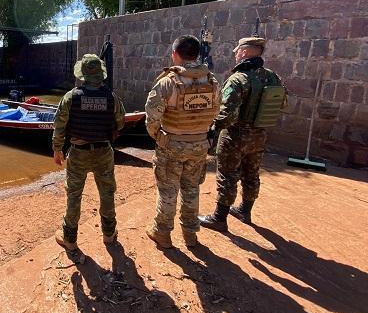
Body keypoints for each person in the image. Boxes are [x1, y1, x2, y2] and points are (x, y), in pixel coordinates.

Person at [199, 37, 286, 232]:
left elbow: (227, 113)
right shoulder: (272, 77)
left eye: (238, 50)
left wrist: (213, 129)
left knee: (227, 175)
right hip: (259, 134)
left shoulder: (238, 78)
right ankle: (245, 211)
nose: (236, 53)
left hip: (236, 136)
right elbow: (282, 103)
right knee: (251, 173)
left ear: (245, 52)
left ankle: (219, 218)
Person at [144, 35, 220, 248]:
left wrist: (158, 136)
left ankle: (162, 233)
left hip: (171, 145)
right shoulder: (212, 81)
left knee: (168, 190)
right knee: (191, 188)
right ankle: (190, 234)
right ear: (196, 54)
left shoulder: (168, 82)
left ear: (175, 54)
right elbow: (216, 112)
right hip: (199, 146)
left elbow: (152, 117)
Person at [53, 54, 126, 253]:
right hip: (104, 152)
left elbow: (59, 125)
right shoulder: (112, 97)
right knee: (107, 193)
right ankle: (109, 235)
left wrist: (58, 149)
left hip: (78, 153)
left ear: (83, 74)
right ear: (100, 75)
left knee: (74, 195)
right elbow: (120, 122)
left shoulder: (71, 97)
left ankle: (70, 239)